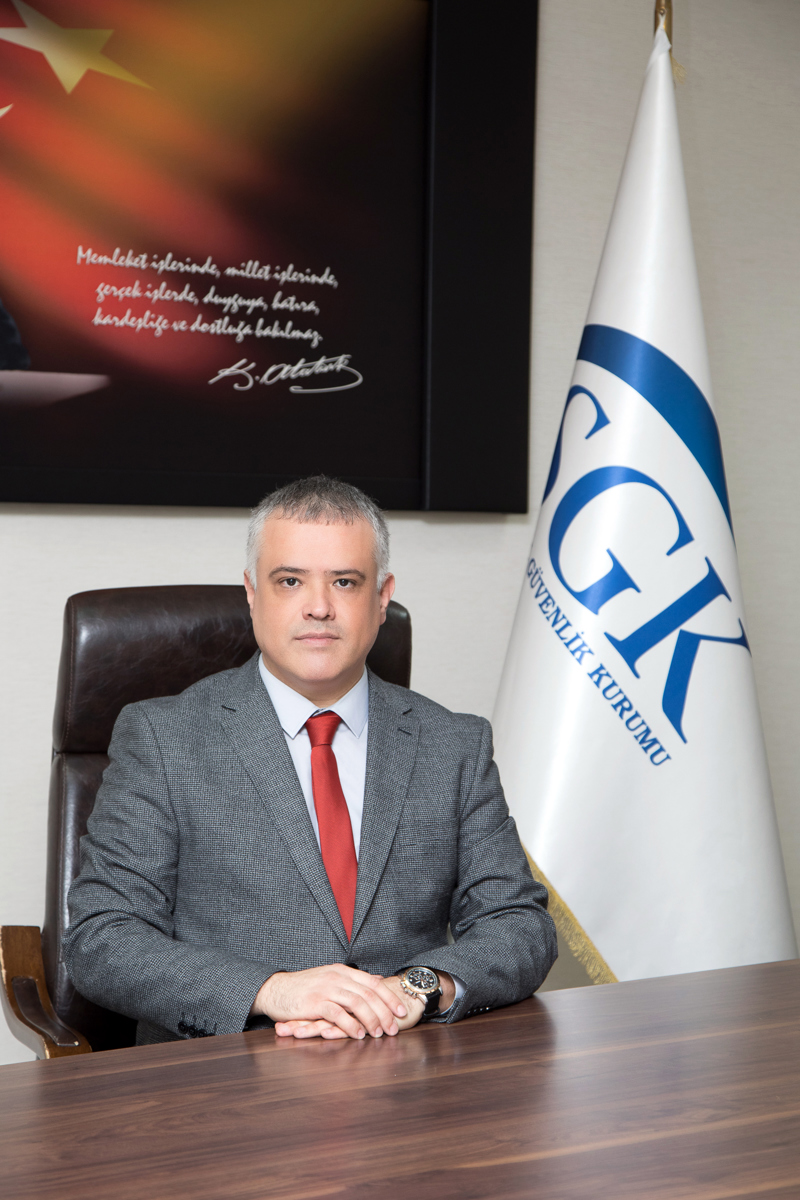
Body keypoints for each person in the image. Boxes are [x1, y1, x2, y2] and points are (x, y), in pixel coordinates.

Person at [65, 477, 556, 1044]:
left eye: (345, 582)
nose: (319, 607)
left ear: (382, 597)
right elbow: (102, 938)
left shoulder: (453, 744)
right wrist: (272, 991)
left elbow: (518, 924)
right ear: (252, 592)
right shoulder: (162, 737)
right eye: (290, 581)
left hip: (404, 1068)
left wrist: (417, 987)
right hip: (227, 1075)